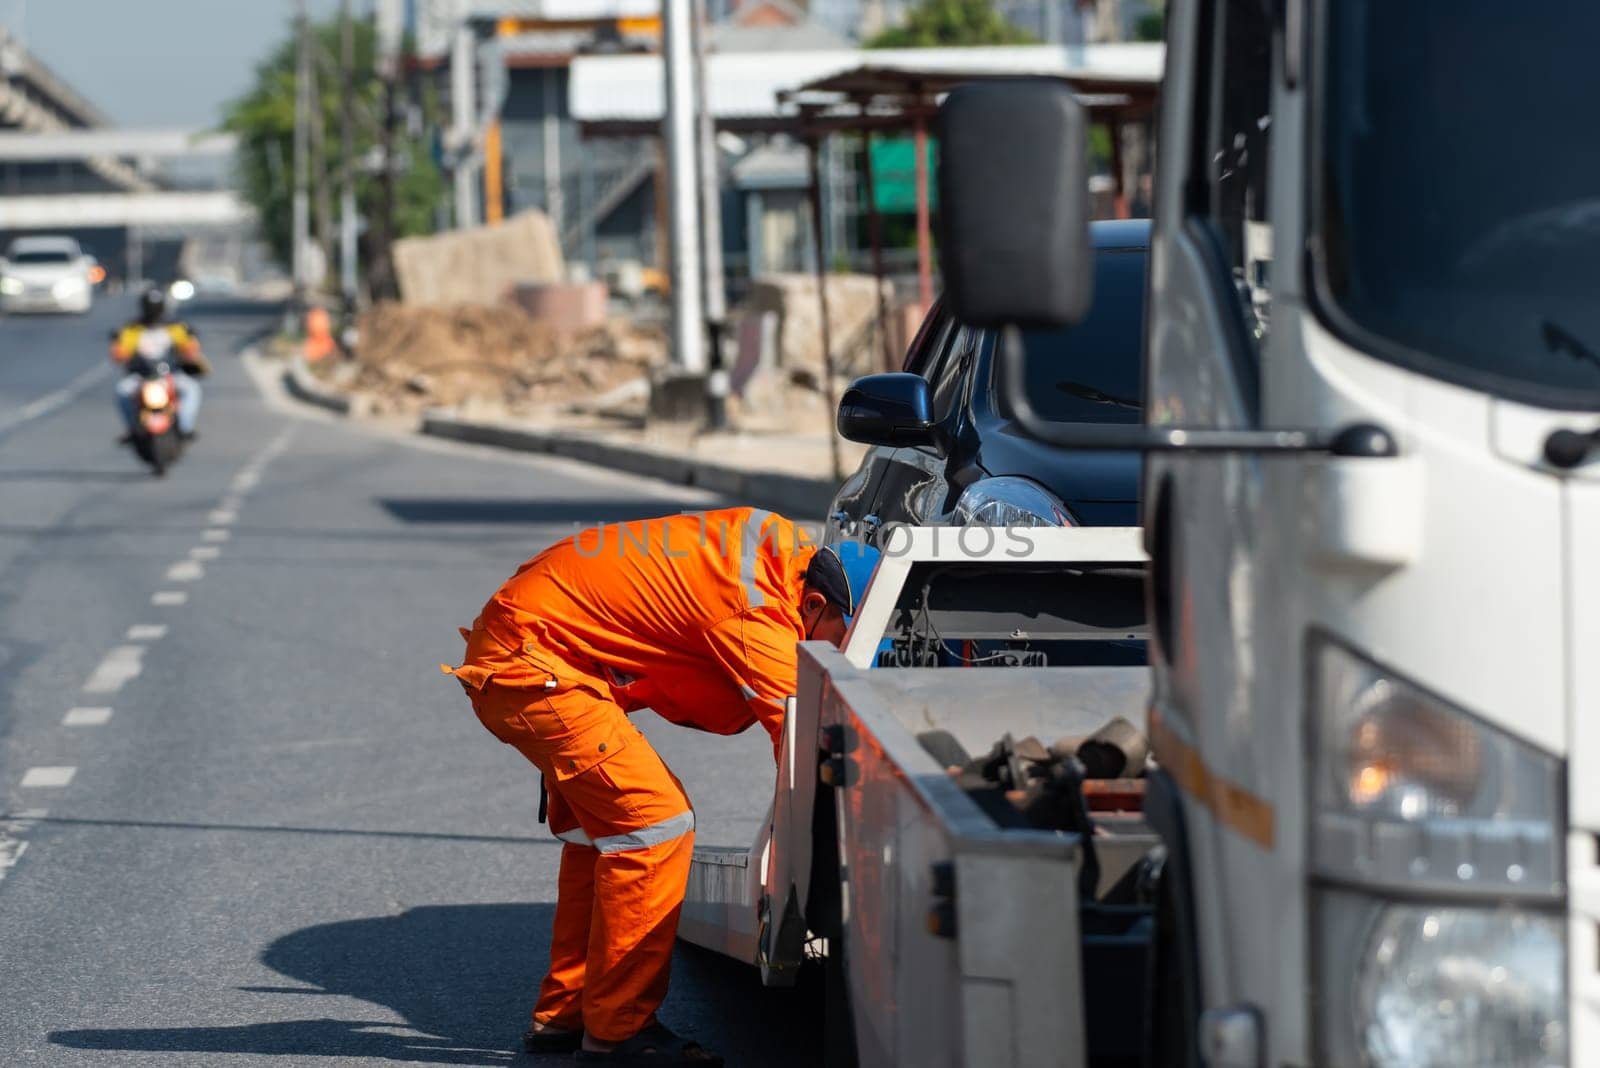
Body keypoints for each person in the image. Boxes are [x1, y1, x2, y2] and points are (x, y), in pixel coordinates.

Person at [443, 508, 880, 1066]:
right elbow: (803, 739)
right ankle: (620, 1035)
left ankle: (567, 1013)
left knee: (598, 837)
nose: (840, 658)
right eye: (842, 641)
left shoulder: (778, 557)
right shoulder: (756, 610)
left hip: (527, 646)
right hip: (534, 667)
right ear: (815, 605)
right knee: (653, 826)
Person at [111, 287, 209, 441]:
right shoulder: (132, 329)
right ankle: (133, 429)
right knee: (122, 391)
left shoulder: (175, 327)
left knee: (192, 389)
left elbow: (190, 347)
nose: (153, 313)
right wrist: (121, 354)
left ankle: (185, 428)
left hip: (171, 376)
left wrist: (189, 354)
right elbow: (120, 352)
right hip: (142, 377)